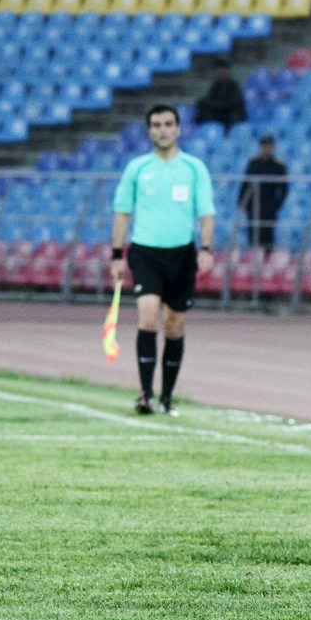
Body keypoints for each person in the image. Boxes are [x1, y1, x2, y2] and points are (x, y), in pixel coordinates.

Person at [110, 104, 216, 416]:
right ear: (149, 131)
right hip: (145, 252)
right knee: (147, 316)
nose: (163, 130)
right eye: (156, 125)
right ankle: (145, 394)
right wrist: (116, 254)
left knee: (174, 325)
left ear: (178, 129)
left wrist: (206, 248)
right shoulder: (138, 168)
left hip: (181, 254)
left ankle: (167, 397)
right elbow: (122, 213)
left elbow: (206, 213)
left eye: (168, 124)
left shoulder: (194, 168)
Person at [237, 134, 289, 250]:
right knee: (253, 231)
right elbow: (245, 183)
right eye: (264, 145)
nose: (267, 149)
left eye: (269, 146)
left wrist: (277, 204)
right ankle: (252, 254)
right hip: (253, 204)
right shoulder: (253, 163)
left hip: (269, 204)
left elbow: (284, 188)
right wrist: (242, 201)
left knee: (267, 232)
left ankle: (267, 256)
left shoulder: (279, 166)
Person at [193, 57, 247, 130]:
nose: (220, 72)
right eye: (218, 70)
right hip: (219, 113)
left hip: (230, 114)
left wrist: (215, 104)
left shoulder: (234, 86)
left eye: (223, 70)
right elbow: (210, 99)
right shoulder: (215, 86)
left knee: (233, 116)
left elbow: (231, 103)